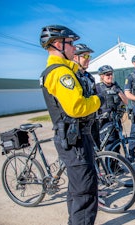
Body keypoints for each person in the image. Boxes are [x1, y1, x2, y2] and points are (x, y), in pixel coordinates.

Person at [39, 25, 101, 225]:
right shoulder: (59, 73)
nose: (74, 48)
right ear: (58, 45)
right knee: (85, 193)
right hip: (74, 140)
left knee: (77, 189)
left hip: (76, 137)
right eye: (71, 44)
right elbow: (76, 107)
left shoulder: (67, 70)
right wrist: (99, 100)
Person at [95, 65, 128, 153]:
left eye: (111, 74)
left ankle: (115, 165)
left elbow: (126, 101)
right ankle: (109, 165)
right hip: (104, 121)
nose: (110, 76)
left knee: (117, 143)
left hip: (116, 119)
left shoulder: (116, 87)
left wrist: (118, 91)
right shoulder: (97, 88)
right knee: (110, 143)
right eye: (107, 74)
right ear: (102, 76)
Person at [73, 43, 100, 145]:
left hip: (92, 120)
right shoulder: (73, 75)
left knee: (97, 150)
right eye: (85, 56)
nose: (88, 59)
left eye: (89, 56)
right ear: (75, 57)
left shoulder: (89, 77)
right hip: (80, 124)